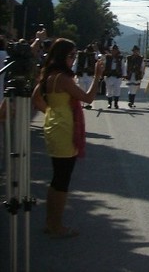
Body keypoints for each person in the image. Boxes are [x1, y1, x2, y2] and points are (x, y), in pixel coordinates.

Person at [30, 38, 105, 238]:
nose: (73, 59)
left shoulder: (48, 75)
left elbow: (36, 99)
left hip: (53, 124)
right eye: (72, 55)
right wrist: (97, 76)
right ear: (62, 56)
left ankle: (51, 222)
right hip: (65, 129)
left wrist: (51, 112)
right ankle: (56, 225)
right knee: (62, 180)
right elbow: (88, 98)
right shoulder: (63, 78)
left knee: (57, 178)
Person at [73, 43, 97, 110]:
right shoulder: (80, 55)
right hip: (82, 74)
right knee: (82, 89)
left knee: (88, 89)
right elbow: (76, 63)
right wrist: (74, 72)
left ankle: (87, 104)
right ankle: (82, 103)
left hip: (89, 75)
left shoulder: (93, 56)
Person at [103, 44, 125, 109]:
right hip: (109, 75)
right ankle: (109, 103)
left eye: (115, 50)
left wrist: (124, 75)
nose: (114, 51)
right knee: (109, 90)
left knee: (117, 89)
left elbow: (123, 66)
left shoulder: (120, 58)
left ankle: (116, 103)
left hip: (117, 76)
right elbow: (104, 65)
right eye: (112, 50)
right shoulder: (107, 57)